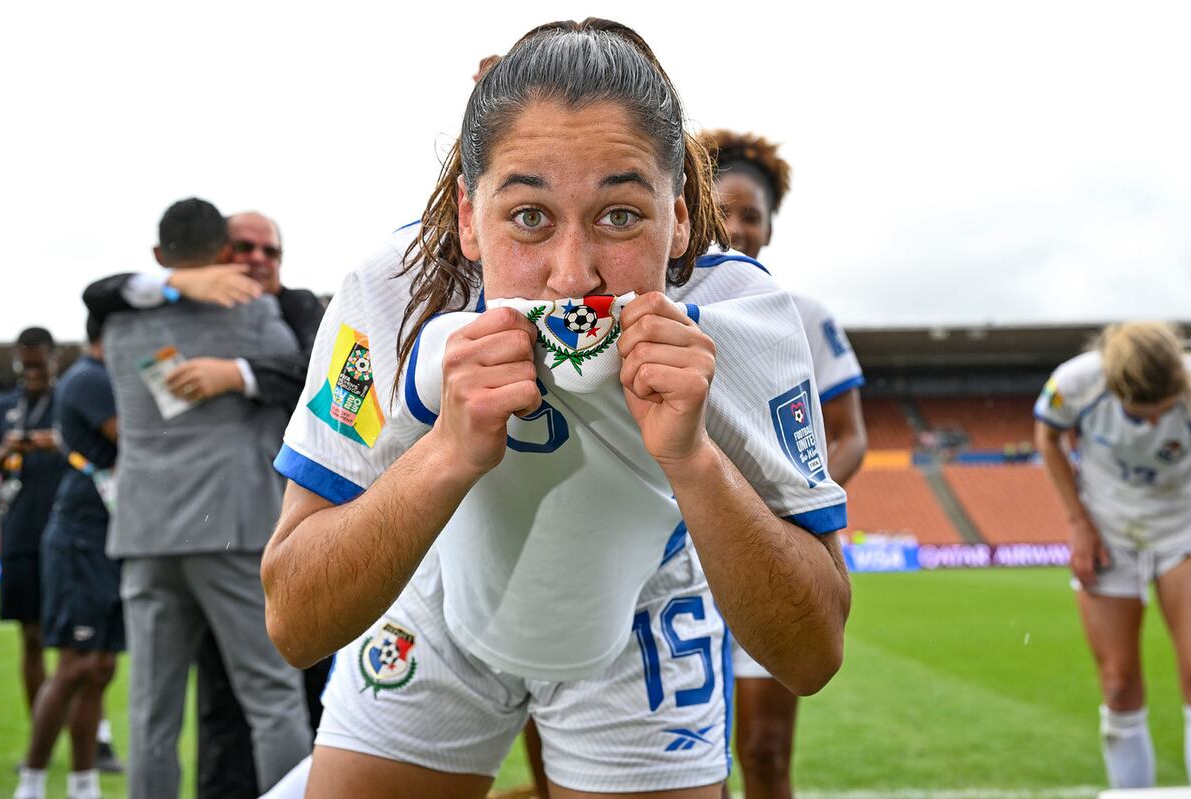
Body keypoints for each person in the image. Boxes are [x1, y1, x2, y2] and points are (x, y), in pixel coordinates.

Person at [262, 18, 851, 799]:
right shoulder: (394, 293)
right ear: (470, 219)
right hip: (433, 602)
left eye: (620, 215)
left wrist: (694, 460)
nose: (571, 278)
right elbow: (295, 622)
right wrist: (444, 454)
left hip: (644, 609)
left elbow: (812, 655)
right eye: (529, 216)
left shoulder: (744, 317)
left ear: (678, 217)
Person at [83, 209, 328, 798]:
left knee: (150, 713)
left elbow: (100, 295)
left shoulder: (118, 326)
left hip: (144, 531)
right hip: (234, 527)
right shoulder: (259, 316)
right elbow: (311, 372)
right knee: (272, 698)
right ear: (220, 251)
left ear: (162, 254)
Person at [693, 129, 868, 799]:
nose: (737, 227)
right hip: (677, 558)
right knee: (681, 756)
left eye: (752, 214)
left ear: (770, 225)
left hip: (770, 551)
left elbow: (848, 436)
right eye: (725, 210)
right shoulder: (663, 304)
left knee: (763, 752)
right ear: (695, 209)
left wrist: (787, 501)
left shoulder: (802, 316)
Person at [1035, 321, 1191, 790]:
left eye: (1158, 414)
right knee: (1119, 683)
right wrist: (1078, 523)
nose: (1148, 424)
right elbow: (1047, 436)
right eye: (1138, 414)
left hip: (1182, 524)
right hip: (1108, 530)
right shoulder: (1073, 383)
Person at [14, 315, 123, 799]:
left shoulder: (110, 375)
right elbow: (138, 439)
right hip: (80, 533)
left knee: (100, 668)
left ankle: (83, 786)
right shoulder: (88, 378)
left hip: (111, 533)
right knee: (74, 665)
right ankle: (31, 783)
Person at [0, 329, 67, 761]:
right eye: (26, 365)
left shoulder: (70, 400)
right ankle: (45, 736)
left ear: (55, 359)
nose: (33, 373)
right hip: (21, 533)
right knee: (32, 638)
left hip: (70, 532)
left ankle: (94, 731)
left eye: (40, 364)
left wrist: (57, 444)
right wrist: (6, 449)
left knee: (83, 645)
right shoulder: (4, 407)